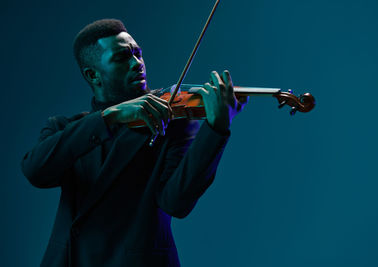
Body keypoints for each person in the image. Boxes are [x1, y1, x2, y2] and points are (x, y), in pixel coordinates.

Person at [21, 19, 247, 267]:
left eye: (137, 54)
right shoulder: (63, 128)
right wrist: (110, 116)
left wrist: (216, 128)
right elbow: (36, 171)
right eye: (121, 58)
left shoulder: (172, 121)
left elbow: (176, 202)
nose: (136, 64)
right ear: (93, 74)